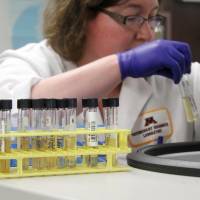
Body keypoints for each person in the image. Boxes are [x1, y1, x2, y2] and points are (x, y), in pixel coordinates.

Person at [0, 0, 199, 151]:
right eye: (132, 17)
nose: (147, 34)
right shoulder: (31, 63)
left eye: (152, 18)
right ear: (81, 16)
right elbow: (16, 118)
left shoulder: (176, 80)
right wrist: (120, 65)